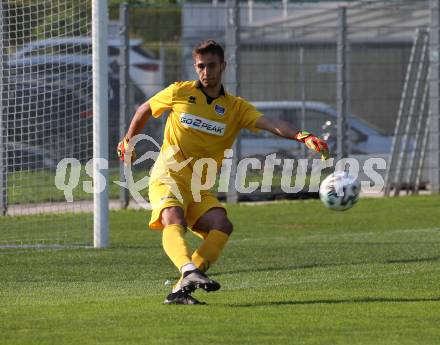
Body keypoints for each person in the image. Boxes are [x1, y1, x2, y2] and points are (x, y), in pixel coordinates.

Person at [117, 39, 329, 305]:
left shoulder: (235, 108)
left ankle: (180, 289)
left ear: (223, 66)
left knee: (222, 225)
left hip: (199, 187)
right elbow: (144, 109)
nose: (206, 72)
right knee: (174, 219)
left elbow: (271, 123)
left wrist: (302, 136)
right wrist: (129, 140)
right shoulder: (179, 92)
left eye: (211, 66)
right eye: (200, 66)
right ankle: (189, 271)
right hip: (168, 175)